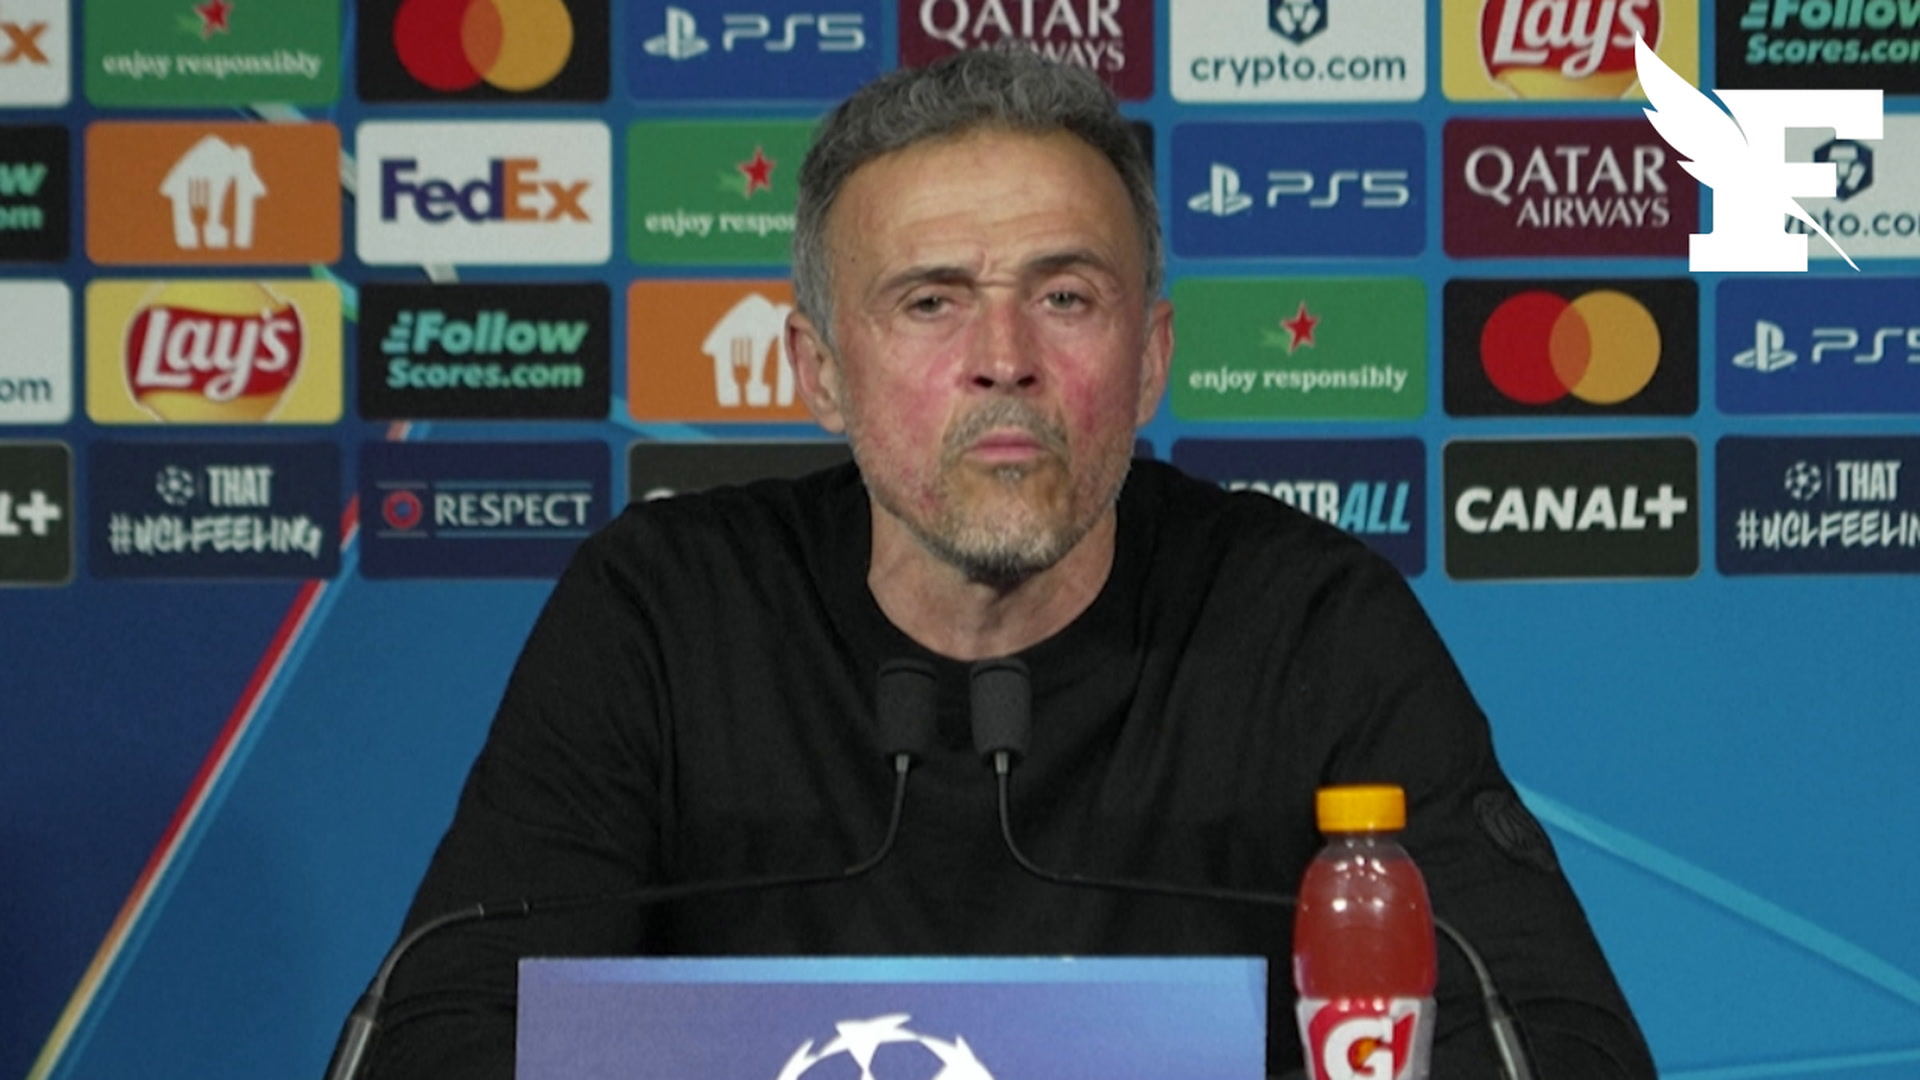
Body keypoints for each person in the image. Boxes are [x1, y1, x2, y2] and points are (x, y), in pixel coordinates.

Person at [358, 50, 1656, 1080]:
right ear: (819, 371)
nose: (1004, 359)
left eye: (1065, 296)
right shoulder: (664, 608)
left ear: (1150, 360)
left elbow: (1554, 1043)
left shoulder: (1306, 620)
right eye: (930, 300)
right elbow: (441, 1031)